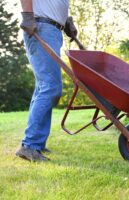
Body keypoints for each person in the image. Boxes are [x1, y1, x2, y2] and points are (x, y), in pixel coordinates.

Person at [16, 0, 77, 162]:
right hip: (41, 27)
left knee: (44, 87)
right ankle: (30, 145)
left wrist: (66, 21)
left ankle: (36, 144)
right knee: (50, 88)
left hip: (52, 30)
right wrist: (28, 16)